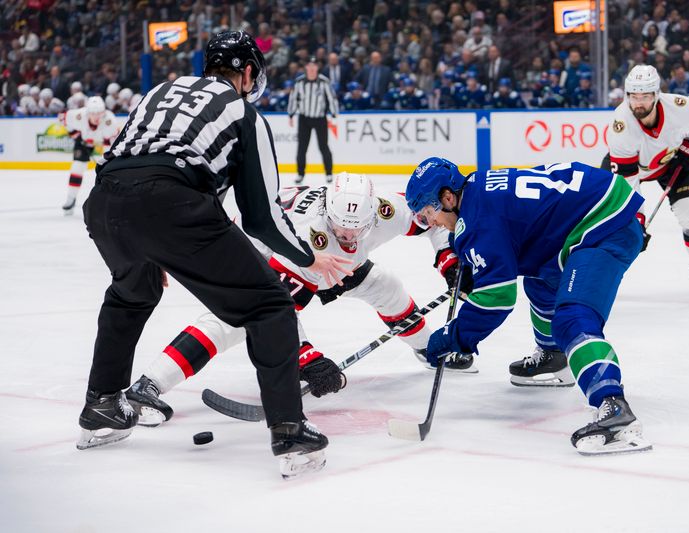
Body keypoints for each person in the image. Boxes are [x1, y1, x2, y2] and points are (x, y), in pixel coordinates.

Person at [76, 31, 351, 479]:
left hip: (105, 204)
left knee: (131, 294)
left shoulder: (158, 91)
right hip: (171, 203)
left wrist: (152, 247)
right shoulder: (244, 112)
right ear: (247, 73)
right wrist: (307, 259)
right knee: (269, 306)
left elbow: (131, 161)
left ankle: (102, 405)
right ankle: (289, 430)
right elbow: (260, 217)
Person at [125, 173, 476, 425]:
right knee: (229, 323)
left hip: (330, 264)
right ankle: (149, 385)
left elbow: (433, 221)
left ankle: (427, 347)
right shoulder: (310, 234)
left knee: (386, 287)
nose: (352, 236)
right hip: (256, 255)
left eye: (358, 228)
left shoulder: (386, 210)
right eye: (342, 229)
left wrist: (448, 259)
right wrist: (307, 358)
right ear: (328, 215)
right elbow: (277, 311)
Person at [405, 157, 652, 455]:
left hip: (603, 227)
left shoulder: (477, 221)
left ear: (447, 198)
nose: (429, 223)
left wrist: (454, 336)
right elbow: (510, 234)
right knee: (541, 280)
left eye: (429, 213)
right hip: (597, 211)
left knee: (573, 318)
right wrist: (475, 266)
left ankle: (613, 409)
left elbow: (496, 301)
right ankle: (554, 355)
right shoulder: (475, 191)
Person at [601, 64, 689, 301]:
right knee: (607, 222)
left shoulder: (679, 107)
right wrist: (637, 220)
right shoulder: (620, 126)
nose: (638, 103)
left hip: (673, 163)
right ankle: (597, 275)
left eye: (645, 96)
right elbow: (629, 182)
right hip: (630, 168)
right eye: (633, 96)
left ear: (656, 95)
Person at [60, 96, 119, 214]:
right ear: (88, 112)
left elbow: (112, 142)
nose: (97, 116)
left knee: (107, 172)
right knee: (77, 167)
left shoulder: (110, 121)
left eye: (99, 113)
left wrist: (108, 158)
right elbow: (62, 118)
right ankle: (71, 198)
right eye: (93, 113)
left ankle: (109, 200)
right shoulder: (79, 115)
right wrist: (74, 134)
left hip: (102, 144)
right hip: (84, 142)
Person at [288, 58, 339, 185]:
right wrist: (291, 114)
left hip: (320, 118)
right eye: (309, 66)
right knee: (302, 147)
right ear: (306, 67)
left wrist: (334, 114)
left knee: (323, 146)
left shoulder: (324, 81)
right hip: (304, 118)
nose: (311, 68)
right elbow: (294, 98)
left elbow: (331, 98)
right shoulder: (299, 82)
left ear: (317, 68)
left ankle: (328, 173)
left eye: (314, 66)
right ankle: (300, 173)